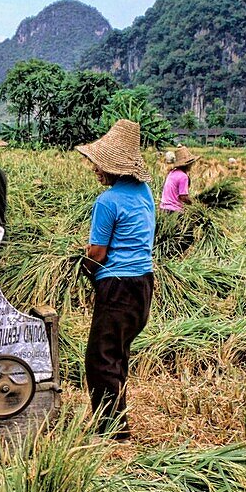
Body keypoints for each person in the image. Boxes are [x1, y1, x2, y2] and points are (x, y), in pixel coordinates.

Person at [76, 119, 155, 439]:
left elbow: (97, 252)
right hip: (143, 285)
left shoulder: (106, 202)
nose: (95, 169)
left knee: (100, 360)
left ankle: (112, 432)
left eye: (99, 164)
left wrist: (82, 265)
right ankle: (116, 421)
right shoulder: (144, 190)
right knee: (118, 354)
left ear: (114, 165)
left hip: (118, 286)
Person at [160, 145, 198, 212]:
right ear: (187, 164)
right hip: (173, 210)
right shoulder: (183, 177)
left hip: (164, 208)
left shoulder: (172, 172)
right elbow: (183, 197)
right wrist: (194, 204)